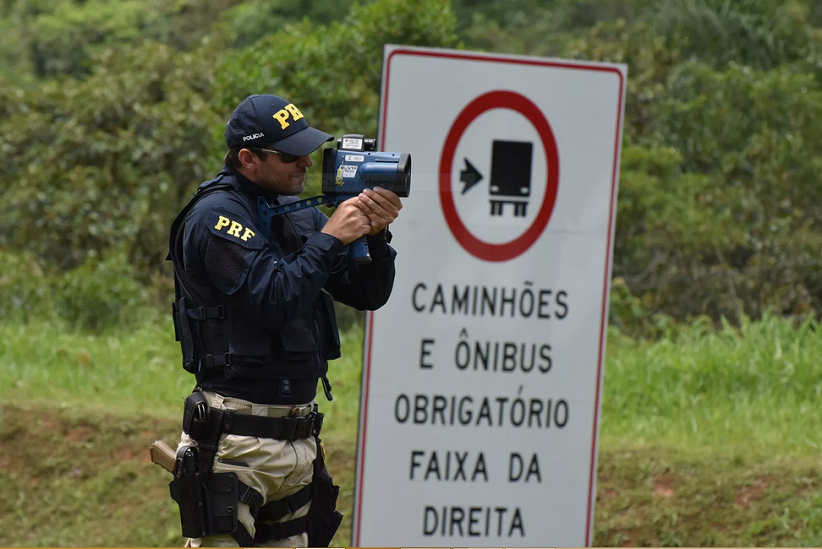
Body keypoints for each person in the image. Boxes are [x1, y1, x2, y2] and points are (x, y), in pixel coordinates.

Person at [167, 94, 401, 547]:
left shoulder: (298, 213)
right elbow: (272, 300)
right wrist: (331, 237)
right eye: (291, 155)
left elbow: (368, 294)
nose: (307, 163)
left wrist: (375, 235)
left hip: (299, 439)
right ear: (248, 158)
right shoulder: (216, 216)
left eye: (308, 151)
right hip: (236, 441)